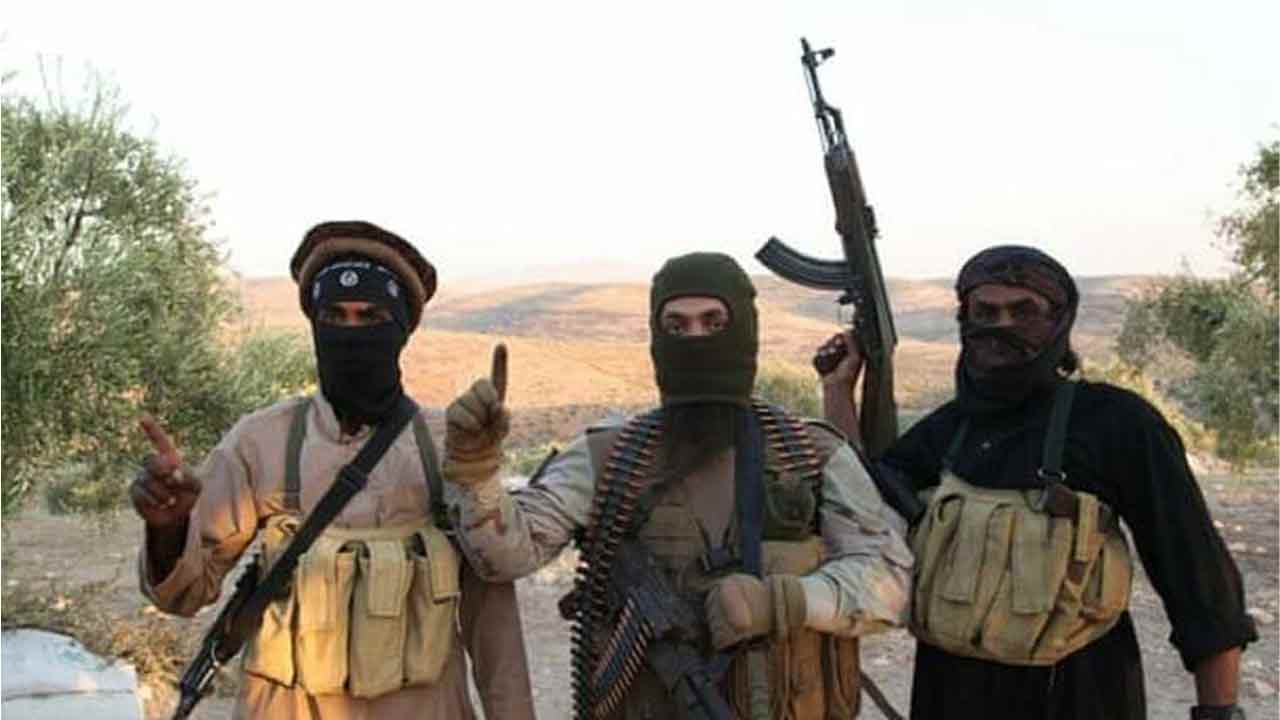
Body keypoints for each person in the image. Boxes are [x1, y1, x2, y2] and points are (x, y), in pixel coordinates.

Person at [441, 251, 912, 719]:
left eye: (714, 322)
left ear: (745, 331)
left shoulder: (811, 454)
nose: (696, 340)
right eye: (677, 326)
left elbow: (890, 579)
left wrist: (784, 602)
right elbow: (506, 554)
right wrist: (476, 468)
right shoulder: (610, 456)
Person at [816, 244, 1257, 720]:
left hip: (1081, 698)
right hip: (950, 694)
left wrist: (1219, 712)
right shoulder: (950, 429)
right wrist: (838, 389)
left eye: (1023, 312)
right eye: (985, 312)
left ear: (1059, 322)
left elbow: (1199, 581)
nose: (1001, 325)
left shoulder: (1116, 423)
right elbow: (861, 507)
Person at [130, 220, 536, 720]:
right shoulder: (262, 441)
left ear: (400, 330)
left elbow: (494, 625)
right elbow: (186, 593)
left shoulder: (449, 446)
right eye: (334, 316)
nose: (351, 333)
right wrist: (168, 528)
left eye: (371, 316)